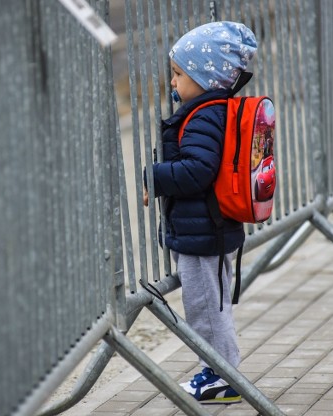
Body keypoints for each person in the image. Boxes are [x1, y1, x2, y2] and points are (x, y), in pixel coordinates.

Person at [142, 21, 257, 404]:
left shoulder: (205, 115)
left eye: (178, 74)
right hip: (209, 229)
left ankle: (223, 377)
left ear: (207, 77)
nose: (172, 83)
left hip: (204, 233)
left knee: (206, 310)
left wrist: (153, 176)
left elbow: (198, 170)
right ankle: (220, 371)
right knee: (213, 305)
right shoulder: (211, 109)